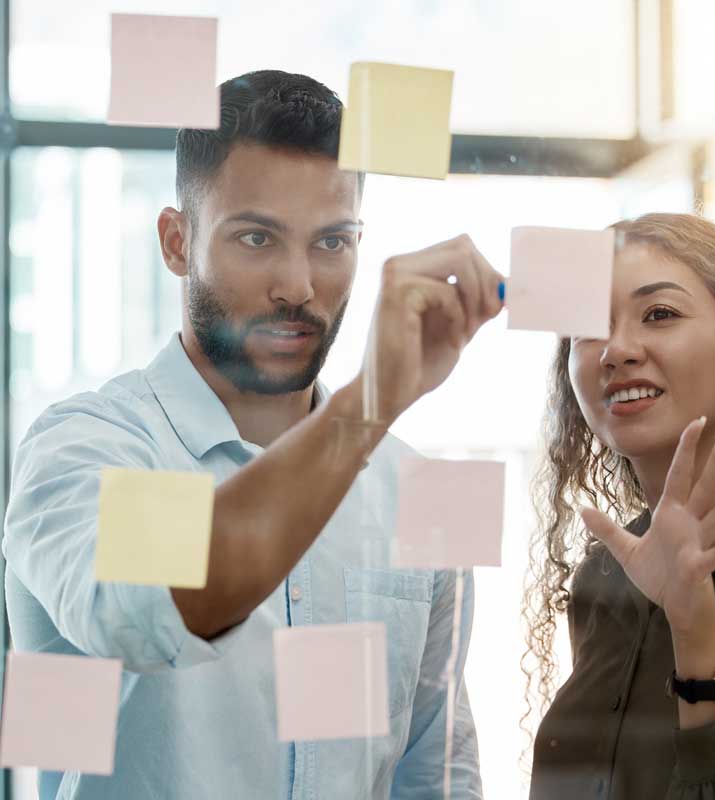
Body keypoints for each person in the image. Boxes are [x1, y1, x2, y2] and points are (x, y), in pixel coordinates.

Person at [4, 69, 503, 800]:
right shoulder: (89, 449)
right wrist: (369, 405)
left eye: (332, 242)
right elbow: (162, 608)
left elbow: (436, 775)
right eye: (257, 237)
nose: (297, 286)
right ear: (177, 242)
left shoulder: (414, 488)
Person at [524, 213, 715, 799]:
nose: (617, 350)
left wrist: (694, 621)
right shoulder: (604, 575)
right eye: (589, 327)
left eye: (660, 315)